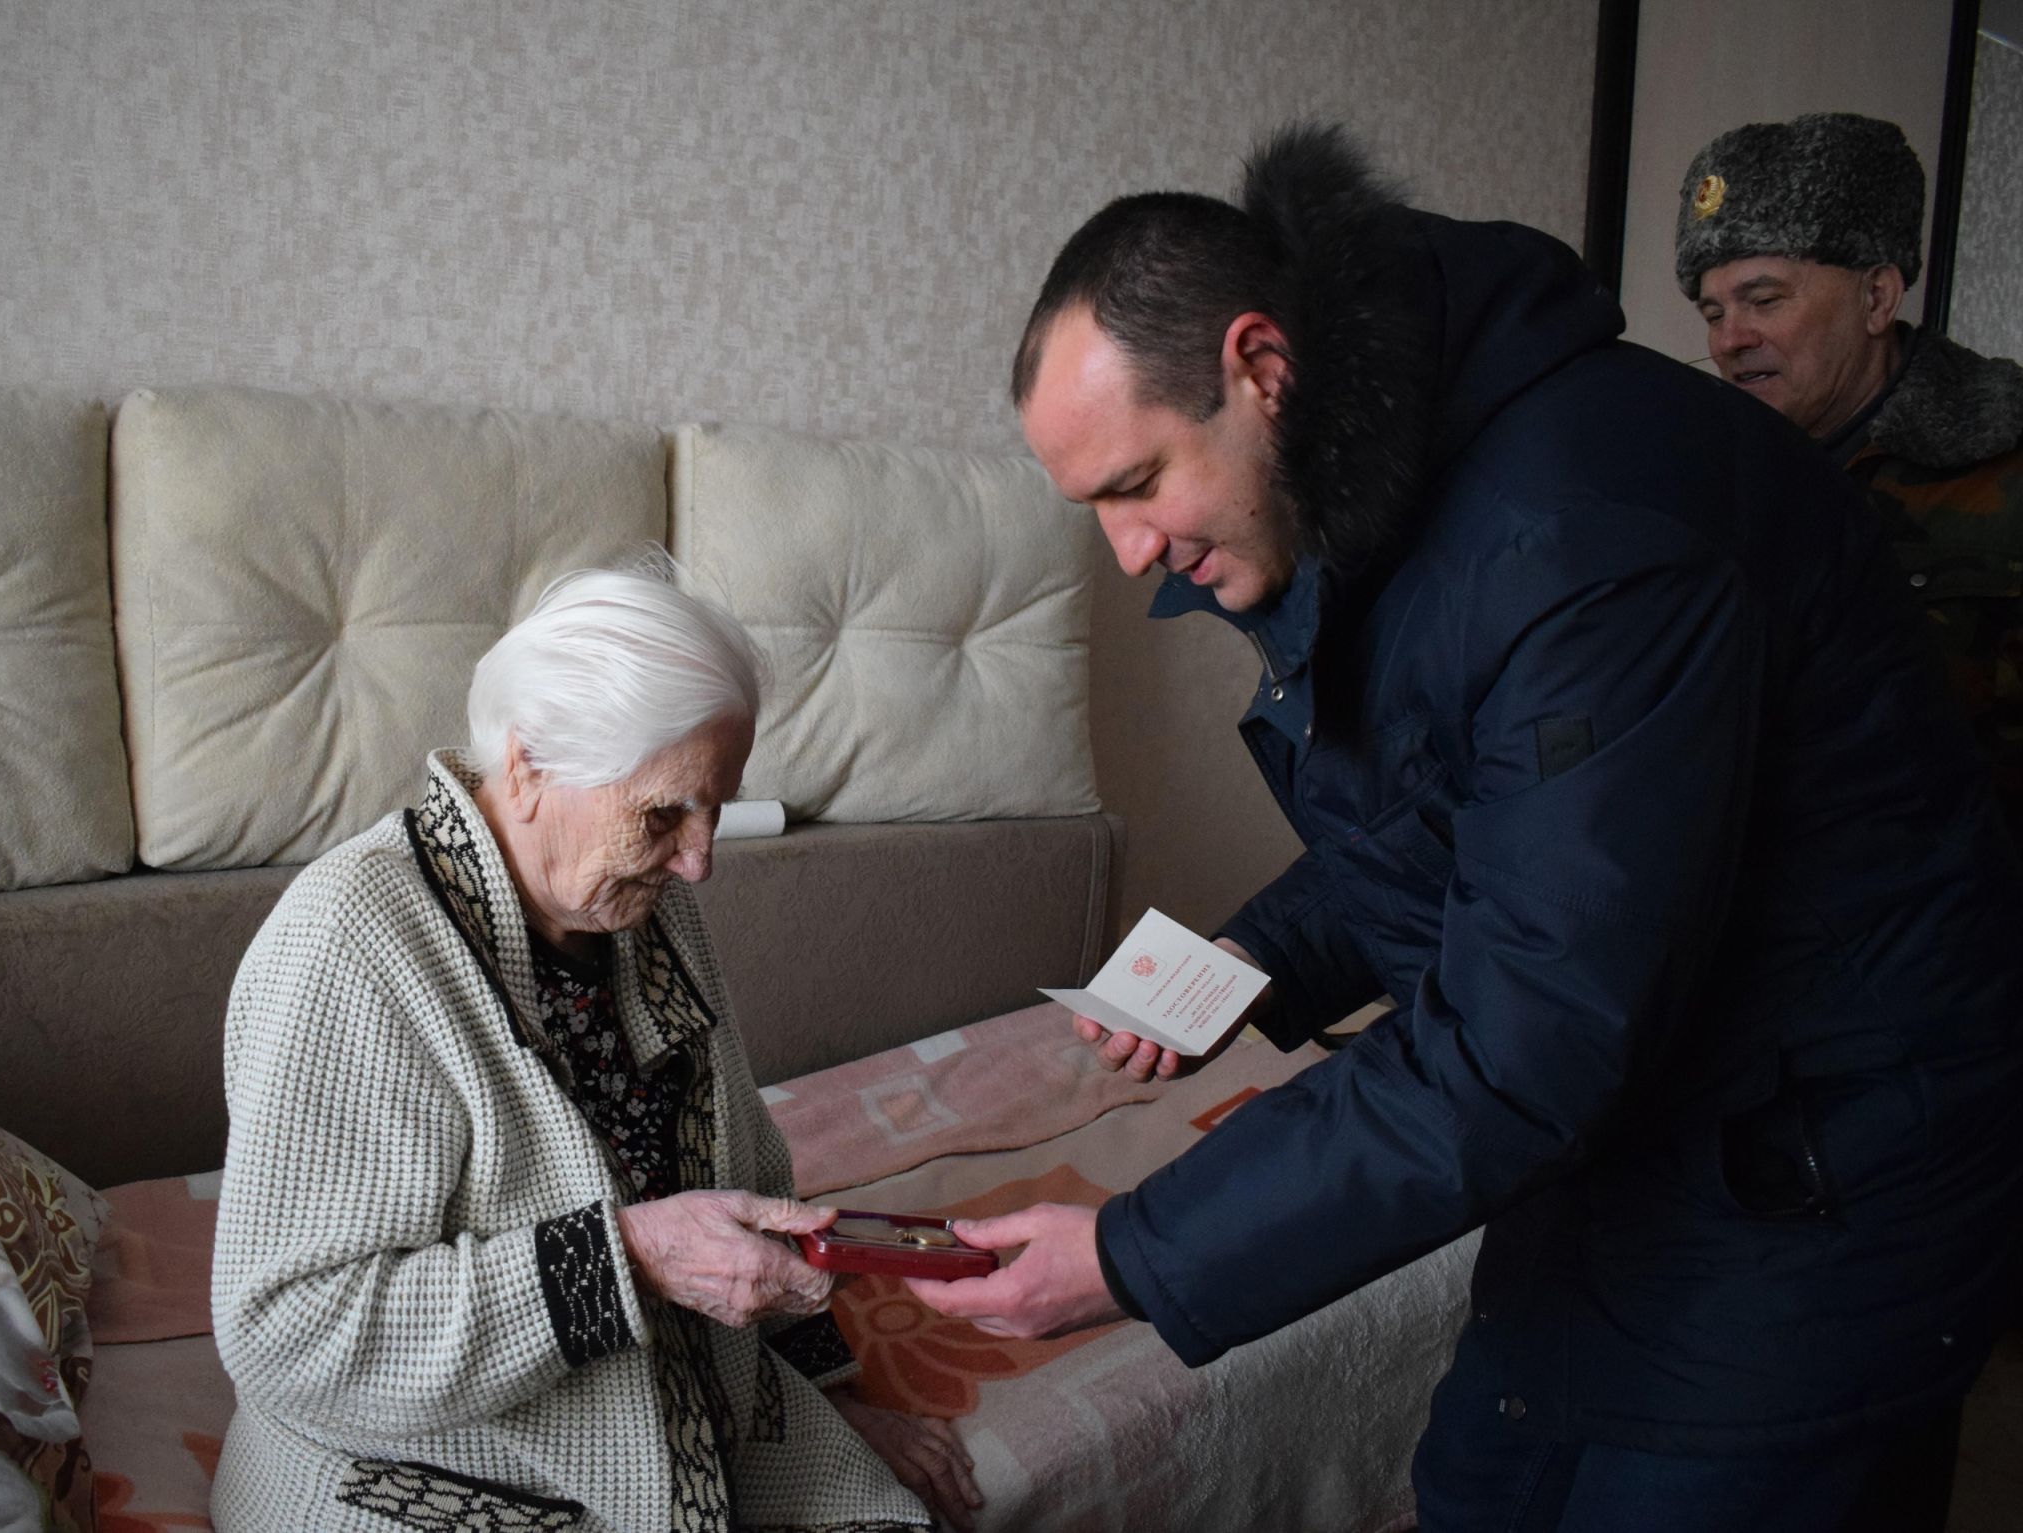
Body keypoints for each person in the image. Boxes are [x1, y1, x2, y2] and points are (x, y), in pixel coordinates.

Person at [907, 124, 2023, 1529]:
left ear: (1260, 367)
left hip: (1825, 1176)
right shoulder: (1404, 488)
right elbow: (1480, 817)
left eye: (1136, 486)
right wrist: (1253, 957)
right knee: (1477, 1486)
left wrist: (1136, 1254)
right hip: (1645, 1128)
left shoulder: (1581, 533)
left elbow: (1528, 1030)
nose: (1131, 555)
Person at [210, 560, 979, 1532]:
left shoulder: (640, 903)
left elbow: (750, 1167)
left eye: (715, 808)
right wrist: (631, 1259)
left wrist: (833, 1393)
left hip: (691, 1404)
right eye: (663, 814)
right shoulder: (352, 940)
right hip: (437, 1458)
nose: (699, 859)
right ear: (529, 766)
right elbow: (284, 1335)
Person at [1679, 111, 2023, 840]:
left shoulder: (2004, 469)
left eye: (1764, 300)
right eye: (1713, 311)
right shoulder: (1697, 474)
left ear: (1876, 298)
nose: (1730, 339)